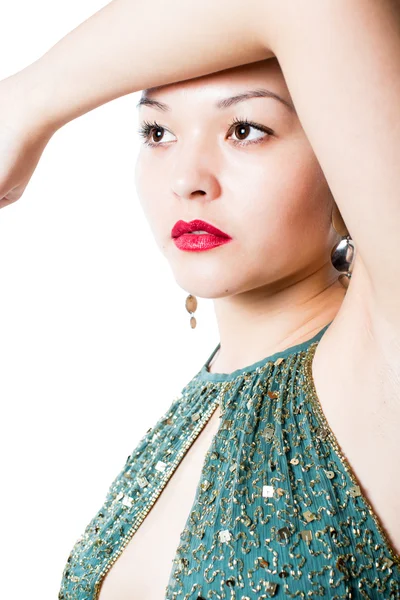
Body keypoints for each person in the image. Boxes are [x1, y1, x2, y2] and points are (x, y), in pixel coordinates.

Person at [0, 1, 399, 598]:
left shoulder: (382, 357)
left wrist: (23, 103)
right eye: (158, 133)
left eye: (246, 130)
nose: (187, 176)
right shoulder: (189, 414)